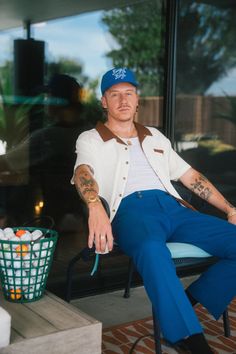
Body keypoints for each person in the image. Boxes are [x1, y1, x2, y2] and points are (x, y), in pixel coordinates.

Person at [72, 67, 236, 354]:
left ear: (138, 100)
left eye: (129, 93)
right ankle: (189, 339)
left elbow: (190, 177)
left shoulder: (156, 138)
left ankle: (186, 301)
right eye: (115, 94)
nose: (123, 100)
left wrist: (230, 209)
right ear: (104, 102)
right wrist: (94, 205)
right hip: (131, 211)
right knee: (151, 248)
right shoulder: (91, 138)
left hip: (174, 208)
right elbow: (83, 171)